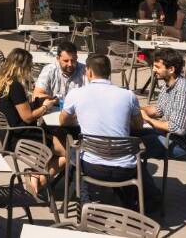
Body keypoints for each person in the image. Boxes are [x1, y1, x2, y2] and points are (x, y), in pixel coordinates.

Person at [60, 55, 147, 212]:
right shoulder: (128, 95)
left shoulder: (76, 94)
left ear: (89, 72)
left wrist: (81, 118)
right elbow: (139, 125)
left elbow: (63, 121)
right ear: (109, 72)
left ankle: (84, 203)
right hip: (125, 169)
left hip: (93, 168)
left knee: (73, 152)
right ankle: (130, 203)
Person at [0, 48, 64, 193]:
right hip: (20, 137)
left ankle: (37, 173)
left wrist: (38, 102)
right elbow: (27, 117)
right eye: (29, 66)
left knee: (58, 142)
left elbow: (17, 109)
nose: (30, 69)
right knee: (68, 153)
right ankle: (37, 177)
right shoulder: (15, 86)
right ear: (22, 66)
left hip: (6, 134)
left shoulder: (2, 83)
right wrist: (45, 107)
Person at [139, 48, 186, 175]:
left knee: (134, 146)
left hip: (185, 146)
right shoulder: (168, 83)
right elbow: (159, 110)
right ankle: (137, 182)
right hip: (170, 136)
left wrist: (148, 120)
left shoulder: (183, 90)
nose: (153, 69)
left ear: (171, 69)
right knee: (133, 134)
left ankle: (143, 186)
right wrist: (137, 110)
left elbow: (177, 128)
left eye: (157, 67)